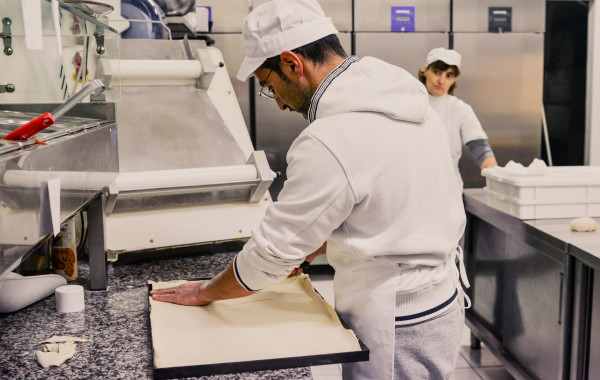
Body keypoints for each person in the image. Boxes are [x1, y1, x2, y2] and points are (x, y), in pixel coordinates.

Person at [151, 1, 470, 379]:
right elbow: (385, 202)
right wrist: (312, 246)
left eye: (271, 88)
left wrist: (202, 292)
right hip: (441, 301)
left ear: (291, 63)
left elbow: (270, 255)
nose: (282, 104)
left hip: (398, 319)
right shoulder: (401, 96)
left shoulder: (330, 139)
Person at [418, 47, 498, 189]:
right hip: (414, 187)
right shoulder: (410, 102)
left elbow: (479, 146)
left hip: (448, 190)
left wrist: (498, 179)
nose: (441, 81)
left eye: (449, 75)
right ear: (426, 71)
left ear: (454, 79)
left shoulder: (459, 109)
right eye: (437, 72)